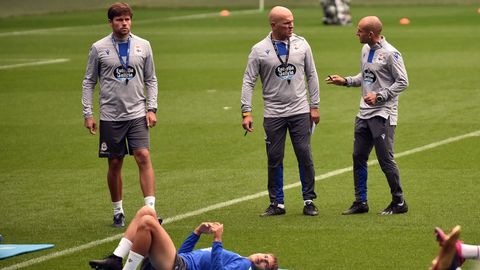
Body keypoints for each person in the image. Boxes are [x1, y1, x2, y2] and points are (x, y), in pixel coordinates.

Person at [82, 2, 159, 227]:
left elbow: (151, 78)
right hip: (110, 115)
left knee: (143, 155)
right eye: (119, 20)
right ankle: (118, 211)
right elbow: (89, 81)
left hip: (137, 112)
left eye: (127, 19)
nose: (124, 24)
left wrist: (152, 108)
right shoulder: (99, 48)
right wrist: (88, 113)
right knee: (114, 163)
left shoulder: (144, 45)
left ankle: (150, 211)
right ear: (110, 22)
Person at [241, 6, 321, 217]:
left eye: (292, 21)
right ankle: (277, 203)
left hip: (300, 110)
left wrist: (314, 105)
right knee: (274, 157)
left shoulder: (302, 44)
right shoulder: (259, 49)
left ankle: (309, 200)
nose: (291, 26)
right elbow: (249, 81)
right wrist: (246, 112)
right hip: (274, 113)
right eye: (286, 23)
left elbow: (312, 75)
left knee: (304, 154)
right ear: (273, 25)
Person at [326, 16, 409, 215]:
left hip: (383, 114)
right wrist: (345, 81)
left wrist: (380, 96)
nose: (357, 34)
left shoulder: (391, 54)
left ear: (371, 34)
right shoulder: (365, 50)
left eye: (360, 31)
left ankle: (399, 202)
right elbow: (366, 78)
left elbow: (403, 82)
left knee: (385, 159)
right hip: (363, 113)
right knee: (358, 156)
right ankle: (360, 202)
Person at [88, 206, 279, 270]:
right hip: (178, 261)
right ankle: (116, 259)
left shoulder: (243, 266)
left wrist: (217, 239)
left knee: (148, 220)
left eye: (265, 263)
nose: (261, 258)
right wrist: (196, 233)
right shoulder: (239, 258)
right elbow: (185, 253)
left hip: (179, 267)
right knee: (147, 212)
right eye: (265, 256)